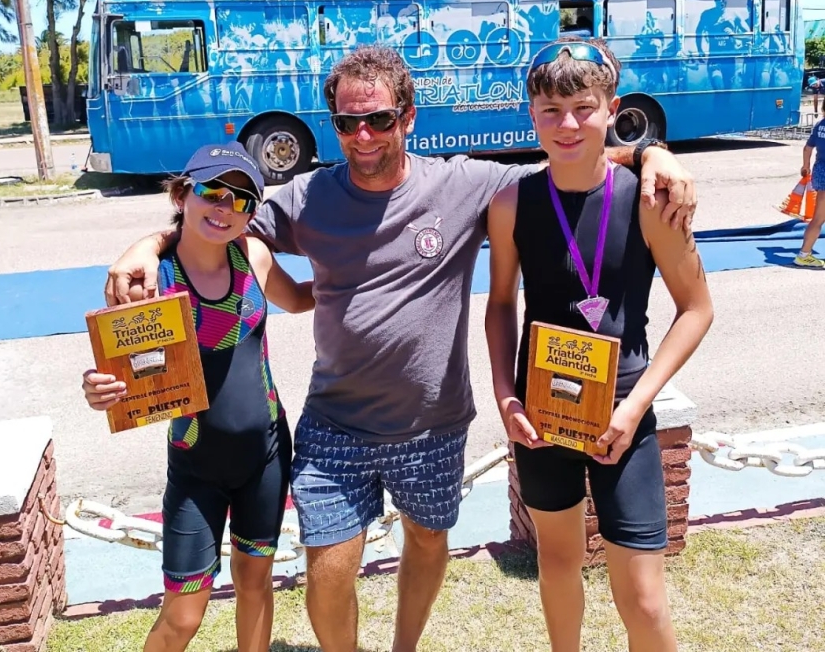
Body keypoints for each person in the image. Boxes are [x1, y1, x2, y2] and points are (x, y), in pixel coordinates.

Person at [103, 46, 697, 652]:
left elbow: (571, 157)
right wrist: (149, 244)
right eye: (346, 123)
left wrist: (652, 152)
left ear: (409, 118)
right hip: (337, 423)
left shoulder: (466, 184)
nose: (363, 136)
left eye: (380, 120)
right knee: (327, 568)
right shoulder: (307, 197)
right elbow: (222, 217)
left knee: (428, 540)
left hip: (434, 425)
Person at [485, 37, 713, 652]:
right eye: (550, 111)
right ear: (531, 114)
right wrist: (507, 398)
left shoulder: (647, 196)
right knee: (557, 567)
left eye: (583, 107)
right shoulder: (511, 202)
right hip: (542, 415)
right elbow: (502, 304)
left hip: (624, 416)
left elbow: (697, 310)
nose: (567, 124)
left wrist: (636, 407)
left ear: (612, 107)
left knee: (641, 596)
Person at [83, 143, 315, 652]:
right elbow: (122, 370)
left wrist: (368, 279)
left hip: (268, 456)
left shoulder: (252, 254)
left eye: (242, 200)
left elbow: (299, 300)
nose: (224, 208)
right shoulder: (150, 280)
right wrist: (99, 389)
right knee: (184, 616)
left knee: (256, 586)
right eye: (212, 191)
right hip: (196, 469)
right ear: (183, 192)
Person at [794, 111, 825, 269]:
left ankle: (804, 254)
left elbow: (808, 148)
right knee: (819, 219)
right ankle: (804, 255)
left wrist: (805, 166)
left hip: (820, 170)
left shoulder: (821, 124)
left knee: (819, 217)